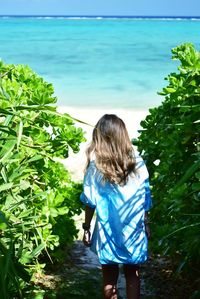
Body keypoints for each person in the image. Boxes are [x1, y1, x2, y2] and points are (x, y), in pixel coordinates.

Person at [80, 114, 152, 299]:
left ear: (100, 137)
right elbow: (144, 197)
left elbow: (89, 201)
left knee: (109, 278)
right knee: (132, 275)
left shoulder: (96, 166)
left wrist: (86, 227)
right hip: (133, 228)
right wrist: (146, 223)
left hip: (108, 229)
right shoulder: (137, 162)